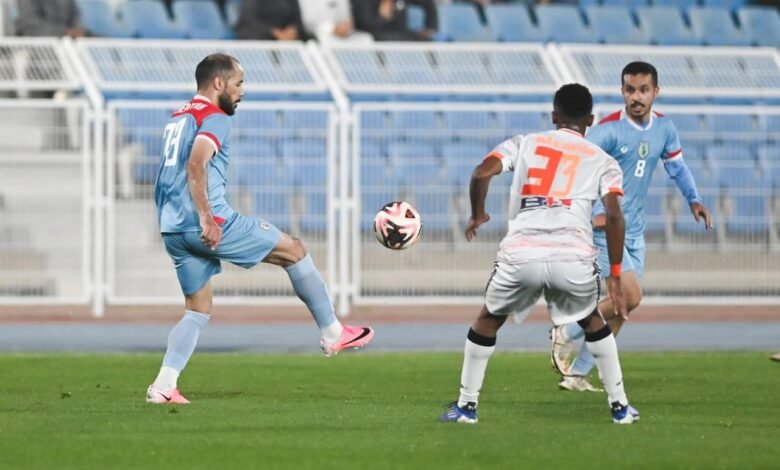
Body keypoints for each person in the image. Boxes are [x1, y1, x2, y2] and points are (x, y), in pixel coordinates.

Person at [146, 54, 374, 404]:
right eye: (238, 83)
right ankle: (333, 332)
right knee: (294, 250)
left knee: (197, 308)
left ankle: (163, 385)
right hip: (208, 222)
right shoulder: (214, 117)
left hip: (173, 227)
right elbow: (196, 163)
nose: (242, 91)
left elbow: (167, 173)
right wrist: (207, 218)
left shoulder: (179, 117)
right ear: (219, 83)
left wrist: (172, 222)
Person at [439, 83, 639, 424]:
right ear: (590, 120)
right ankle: (620, 407)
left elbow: (481, 173)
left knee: (489, 320)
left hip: (522, 253)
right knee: (592, 320)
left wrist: (478, 214)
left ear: (553, 115)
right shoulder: (604, 161)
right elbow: (615, 216)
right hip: (572, 255)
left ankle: (466, 407)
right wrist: (616, 274)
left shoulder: (525, 143)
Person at [550, 61, 714, 392]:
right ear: (622, 91)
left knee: (623, 308)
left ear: (655, 91)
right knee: (630, 295)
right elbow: (580, 169)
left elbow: (678, 168)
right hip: (606, 227)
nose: (636, 97)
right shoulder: (608, 130)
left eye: (643, 90)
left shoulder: (664, 128)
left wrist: (694, 199)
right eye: (630, 90)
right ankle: (567, 330)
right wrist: (596, 209)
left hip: (634, 230)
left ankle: (577, 373)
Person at [352, 0, 438, 41]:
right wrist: (382, 17)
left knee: (426, 40)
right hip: (378, 36)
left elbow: (428, 3)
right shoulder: (363, 2)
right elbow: (365, 27)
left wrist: (430, 27)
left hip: (402, 34)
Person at [299, 0, 373, 44]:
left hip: (344, 35)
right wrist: (333, 28)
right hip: (319, 37)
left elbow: (347, 19)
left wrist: (345, 27)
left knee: (366, 39)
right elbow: (308, 24)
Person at [235, 0, 312, 41]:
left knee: (310, 38)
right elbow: (249, 19)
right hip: (261, 33)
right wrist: (275, 32)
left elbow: (297, 19)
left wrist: (292, 30)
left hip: (285, 34)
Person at [15, 0, 86, 38]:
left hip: (66, 46)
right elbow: (30, 24)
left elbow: (75, 17)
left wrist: (77, 31)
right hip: (36, 46)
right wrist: (64, 32)